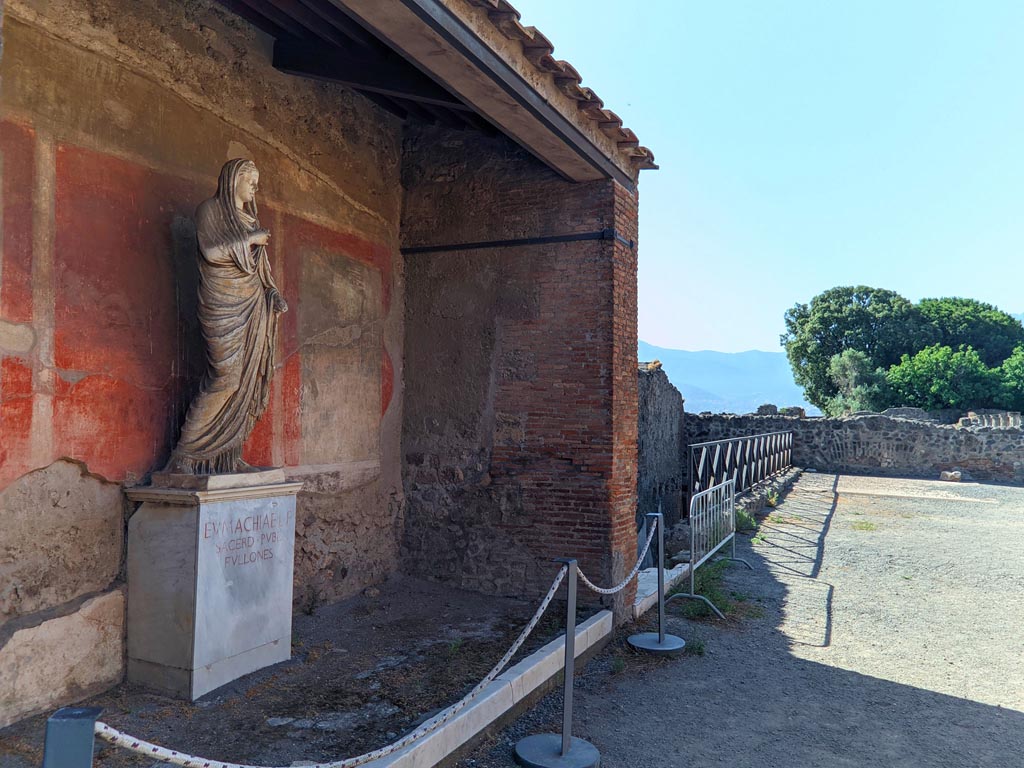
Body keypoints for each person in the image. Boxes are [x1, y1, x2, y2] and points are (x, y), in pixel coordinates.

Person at [167, 158, 287, 474]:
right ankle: (184, 456)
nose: (255, 188)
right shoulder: (210, 211)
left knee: (246, 380)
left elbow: (260, 270)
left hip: (254, 304)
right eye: (251, 181)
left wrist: (272, 293)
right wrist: (250, 239)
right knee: (226, 377)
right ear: (234, 180)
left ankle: (226, 458)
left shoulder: (250, 219)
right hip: (222, 303)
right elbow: (211, 252)